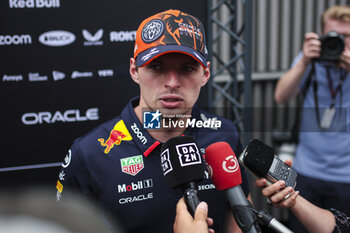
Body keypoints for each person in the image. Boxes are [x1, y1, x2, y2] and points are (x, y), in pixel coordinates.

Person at [56, 9, 250, 233]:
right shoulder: (89, 154)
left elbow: (237, 210)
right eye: (157, 67)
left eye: (187, 68)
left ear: (205, 74)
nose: (172, 82)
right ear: (134, 70)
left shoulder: (223, 135)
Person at [274, 5, 350, 232]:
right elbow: (281, 95)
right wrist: (304, 61)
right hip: (307, 170)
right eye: (333, 36)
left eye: (346, 36)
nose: (340, 42)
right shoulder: (311, 59)